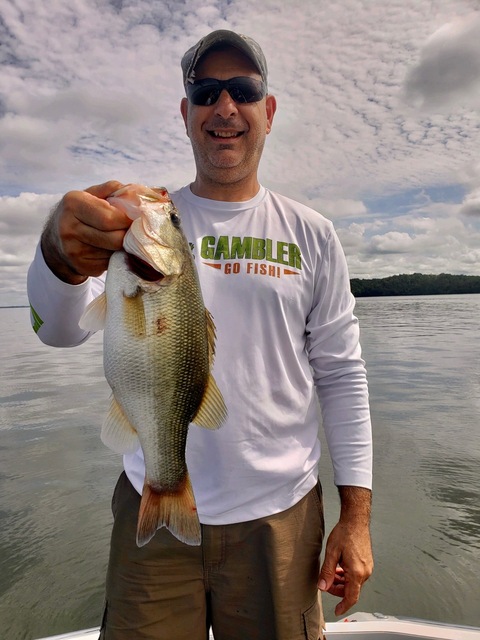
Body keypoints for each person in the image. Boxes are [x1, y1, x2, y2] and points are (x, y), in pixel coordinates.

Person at [27, 29, 373, 640]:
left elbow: (342, 375)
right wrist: (57, 251)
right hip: (148, 510)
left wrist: (357, 517)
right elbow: (57, 331)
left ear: (267, 111)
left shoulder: (312, 233)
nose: (225, 106)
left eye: (242, 90)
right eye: (206, 91)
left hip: (281, 519)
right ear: (186, 114)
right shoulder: (135, 226)